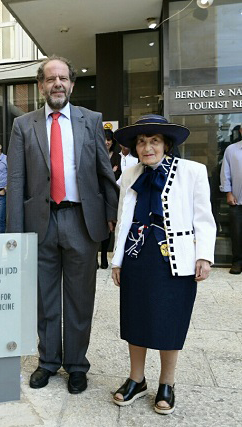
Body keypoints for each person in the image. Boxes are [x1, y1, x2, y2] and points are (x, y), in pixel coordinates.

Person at [6, 55, 119, 394]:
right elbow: (15, 180)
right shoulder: (23, 125)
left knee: (80, 299)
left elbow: (105, 173)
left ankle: (77, 365)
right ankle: (48, 362)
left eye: (63, 78)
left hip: (82, 220)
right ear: (41, 85)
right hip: (40, 222)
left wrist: (111, 214)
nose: (57, 84)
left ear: (72, 84)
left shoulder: (91, 120)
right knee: (45, 298)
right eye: (51, 78)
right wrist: (14, 234)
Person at [111, 114, 216, 415]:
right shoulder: (129, 175)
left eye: (154, 141)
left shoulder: (193, 172)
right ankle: (136, 379)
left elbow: (204, 219)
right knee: (135, 316)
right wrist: (117, 260)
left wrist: (204, 256)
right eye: (142, 142)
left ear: (166, 144)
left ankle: (167, 383)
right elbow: (123, 221)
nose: (147, 147)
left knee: (170, 319)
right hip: (137, 257)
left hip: (176, 258)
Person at [220, 129, 242, 274]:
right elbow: (225, 172)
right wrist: (228, 192)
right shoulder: (231, 149)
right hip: (237, 200)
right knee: (237, 233)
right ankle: (237, 262)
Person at [100, 129, 121, 268]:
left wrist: (109, 175)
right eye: (105, 139)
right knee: (97, 226)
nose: (107, 142)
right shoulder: (96, 154)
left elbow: (117, 176)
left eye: (109, 139)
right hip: (97, 196)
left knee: (109, 227)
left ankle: (104, 257)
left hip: (112, 196)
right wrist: (110, 173)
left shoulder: (117, 157)